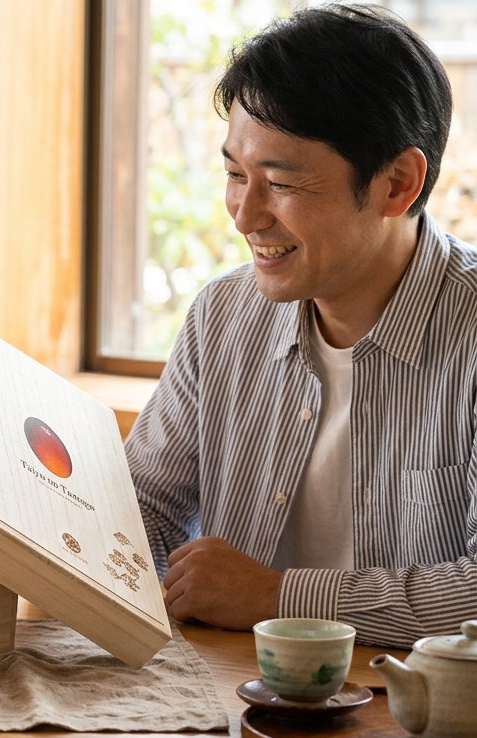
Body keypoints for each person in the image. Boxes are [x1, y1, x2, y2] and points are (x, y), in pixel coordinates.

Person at [127, 3, 477, 648]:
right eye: (235, 175)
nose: (244, 216)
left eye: (280, 184)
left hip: (411, 703)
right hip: (226, 688)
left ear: (397, 184)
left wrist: (275, 596)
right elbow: (140, 507)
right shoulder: (223, 316)